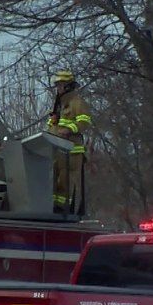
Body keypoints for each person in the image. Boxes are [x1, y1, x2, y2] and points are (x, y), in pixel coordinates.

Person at [47, 70, 92, 214]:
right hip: (57, 150)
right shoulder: (59, 104)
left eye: (60, 85)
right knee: (53, 180)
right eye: (57, 85)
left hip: (72, 152)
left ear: (68, 86)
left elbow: (84, 122)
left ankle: (62, 208)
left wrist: (69, 130)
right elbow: (52, 125)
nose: (58, 88)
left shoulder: (77, 103)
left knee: (65, 181)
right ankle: (52, 207)